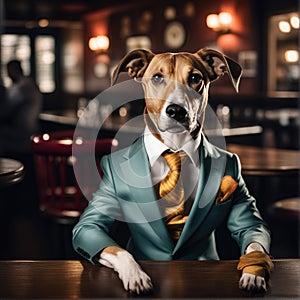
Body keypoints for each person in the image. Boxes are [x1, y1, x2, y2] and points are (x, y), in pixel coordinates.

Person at [0, 60, 42, 155]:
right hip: (26, 133)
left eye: (9, 71)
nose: (8, 75)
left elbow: (5, 110)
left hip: (21, 135)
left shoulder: (22, 88)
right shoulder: (27, 84)